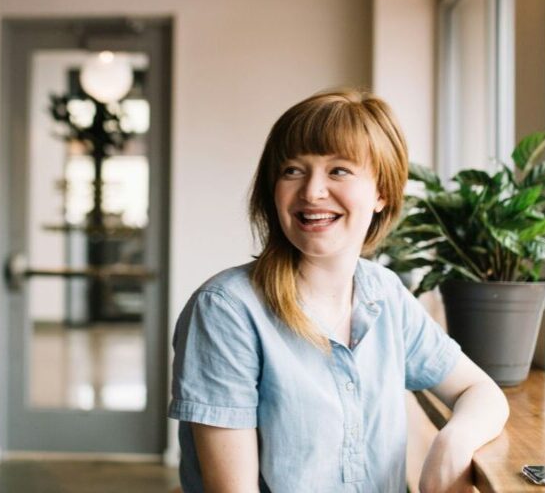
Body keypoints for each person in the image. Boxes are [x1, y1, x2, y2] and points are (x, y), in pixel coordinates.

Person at [168, 88, 509, 492]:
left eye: (339, 170)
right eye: (292, 170)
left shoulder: (384, 293)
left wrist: (453, 441)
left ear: (382, 192)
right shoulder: (226, 309)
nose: (312, 191)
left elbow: (479, 390)